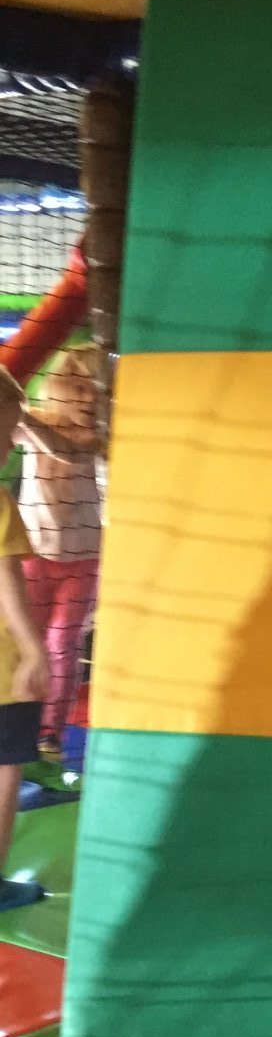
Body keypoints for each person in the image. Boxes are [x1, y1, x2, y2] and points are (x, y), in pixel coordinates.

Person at [16, 344, 103, 757]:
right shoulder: (35, 421)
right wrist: (15, 408)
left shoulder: (97, 437)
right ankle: (20, 716)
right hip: (33, 554)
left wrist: (24, 417)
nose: (88, 399)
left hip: (82, 560)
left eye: (97, 391)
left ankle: (50, 731)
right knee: (24, 637)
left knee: (62, 642)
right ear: (59, 387)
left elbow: (67, 452)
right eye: (79, 388)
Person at [0, 366, 51, 912]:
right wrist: (35, 649)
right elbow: (7, 583)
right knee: (5, 767)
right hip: (3, 672)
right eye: (5, 434)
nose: (11, 446)